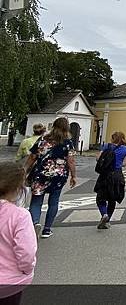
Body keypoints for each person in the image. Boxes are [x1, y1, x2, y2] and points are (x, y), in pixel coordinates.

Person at [25, 117, 77, 239]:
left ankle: (34, 224)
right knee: (53, 202)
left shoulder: (43, 139)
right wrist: (73, 176)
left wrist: (25, 170)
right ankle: (47, 229)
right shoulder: (68, 142)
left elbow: (32, 157)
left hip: (40, 175)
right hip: (58, 176)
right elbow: (71, 161)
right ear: (67, 128)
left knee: (36, 201)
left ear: (53, 126)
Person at [0, 162, 37, 304]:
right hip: (8, 283)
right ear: (18, 188)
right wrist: (27, 270)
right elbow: (26, 252)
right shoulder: (20, 216)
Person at [94, 132, 126, 230]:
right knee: (112, 199)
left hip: (105, 175)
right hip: (117, 175)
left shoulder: (106, 146)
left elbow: (98, 158)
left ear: (113, 139)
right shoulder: (125, 149)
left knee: (100, 197)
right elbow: (124, 164)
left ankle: (104, 214)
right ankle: (107, 219)